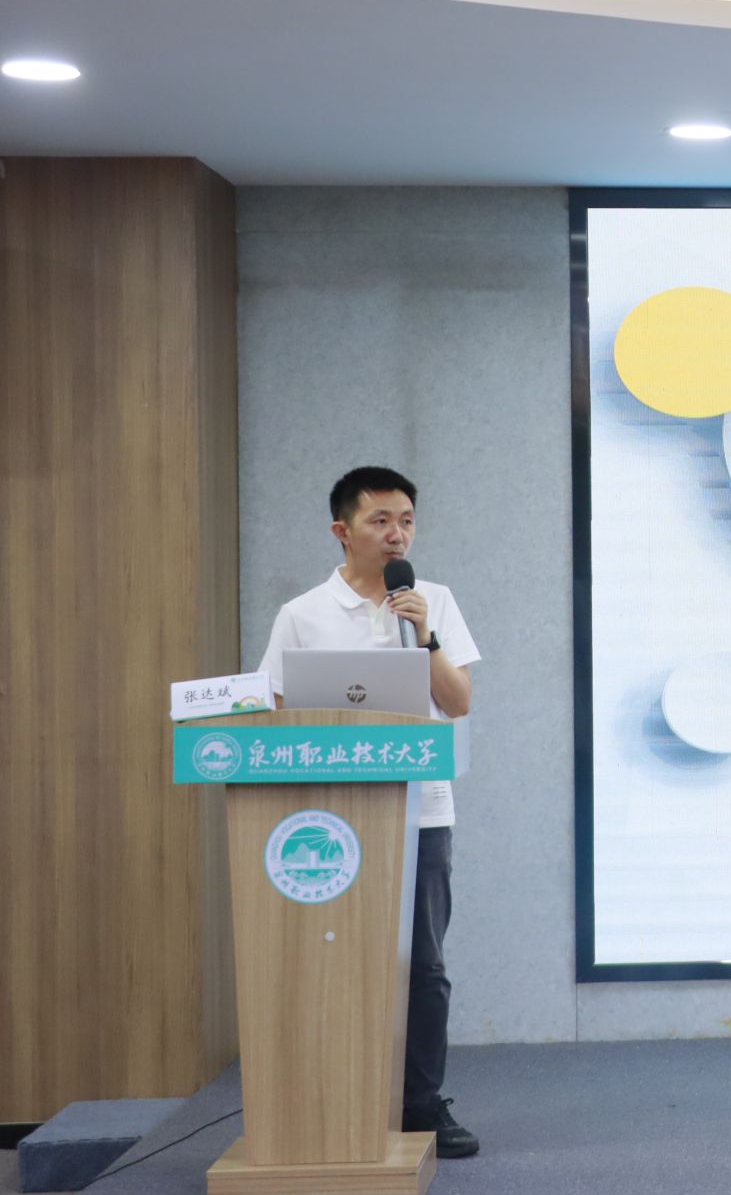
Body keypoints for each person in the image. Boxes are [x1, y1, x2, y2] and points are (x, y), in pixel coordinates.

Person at [258, 466, 483, 1160]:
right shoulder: (302, 613)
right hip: (332, 817)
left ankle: (421, 1103)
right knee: (334, 957)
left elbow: (458, 702)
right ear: (342, 530)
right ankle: (336, 1097)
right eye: (380, 520)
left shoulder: (433, 600)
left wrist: (425, 635)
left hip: (423, 811)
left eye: (406, 520)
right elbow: (276, 710)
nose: (396, 534)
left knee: (425, 965)